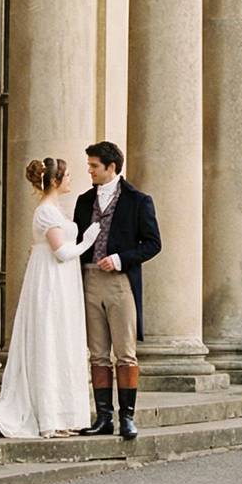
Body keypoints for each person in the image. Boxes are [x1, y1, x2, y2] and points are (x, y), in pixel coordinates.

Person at [0, 157, 99, 438]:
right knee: (50, 340)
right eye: (67, 175)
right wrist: (87, 243)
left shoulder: (55, 209)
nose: (71, 179)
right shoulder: (46, 211)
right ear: (55, 180)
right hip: (52, 279)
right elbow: (61, 252)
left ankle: (63, 416)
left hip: (62, 279)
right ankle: (48, 418)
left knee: (63, 343)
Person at [73, 140, 161, 440]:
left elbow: (153, 244)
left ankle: (127, 417)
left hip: (120, 283)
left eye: (94, 166)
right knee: (97, 354)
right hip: (89, 279)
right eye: (89, 166)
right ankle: (103, 418)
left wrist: (121, 258)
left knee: (125, 353)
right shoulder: (84, 201)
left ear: (111, 167)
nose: (90, 171)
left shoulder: (138, 200)